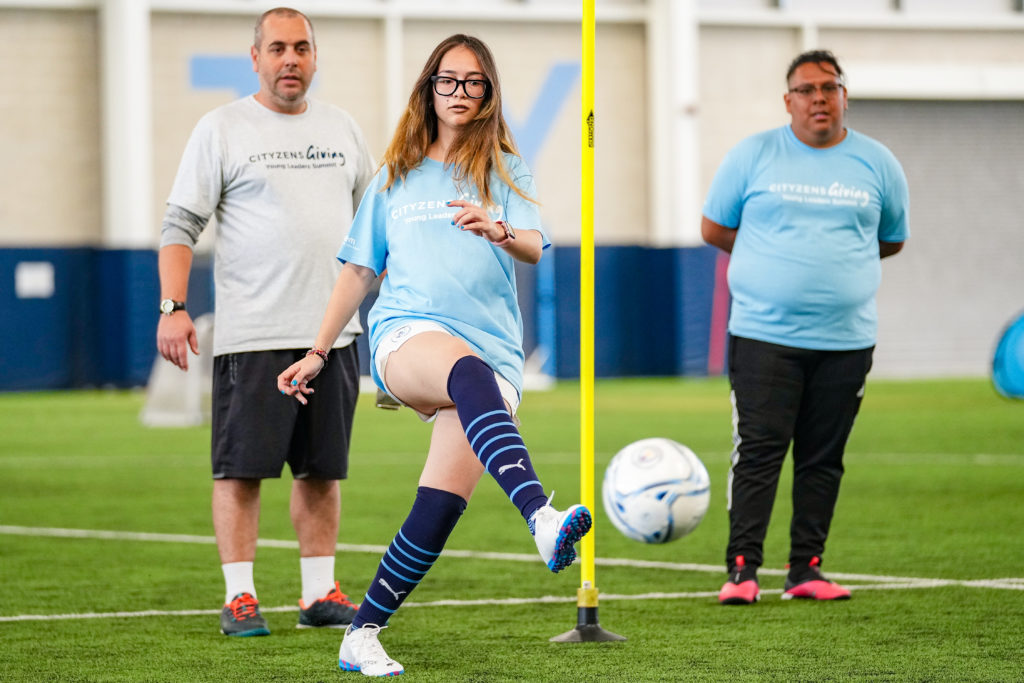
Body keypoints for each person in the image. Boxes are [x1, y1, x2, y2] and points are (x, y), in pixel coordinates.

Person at [278, 34, 592, 676]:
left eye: (474, 83)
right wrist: (318, 350)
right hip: (408, 337)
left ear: (488, 94)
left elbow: (534, 244)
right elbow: (357, 272)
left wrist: (495, 225)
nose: (459, 93)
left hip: (491, 353)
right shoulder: (393, 175)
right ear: (429, 88)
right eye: (448, 81)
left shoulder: (504, 166)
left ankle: (361, 633)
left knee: (440, 505)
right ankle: (538, 515)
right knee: (463, 370)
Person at [156, 7, 375, 636]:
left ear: (314, 56)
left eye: (302, 48)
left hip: (332, 339)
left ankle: (318, 594)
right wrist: (172, 308)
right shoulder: (221, 128)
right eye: (277, 48)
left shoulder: (342, 128)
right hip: (253, 337)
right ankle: (240, 597)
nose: (291, 60)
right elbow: (179, 227)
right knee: (240, 471)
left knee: (322, 470)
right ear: (255, 57)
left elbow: (372, 232)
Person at [701, 50, 909, 605]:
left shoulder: (878, 162)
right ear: (788, 100)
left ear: (844, 96)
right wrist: (776, 267)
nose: (819, 97)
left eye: (829, 87)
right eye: (807, 89)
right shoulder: (753, 155)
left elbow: (890, 238)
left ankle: (807, 570)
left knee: (823, 457)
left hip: (846, 340)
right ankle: (742, 571)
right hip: (764, 335)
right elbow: (715, 227)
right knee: (760, 453)